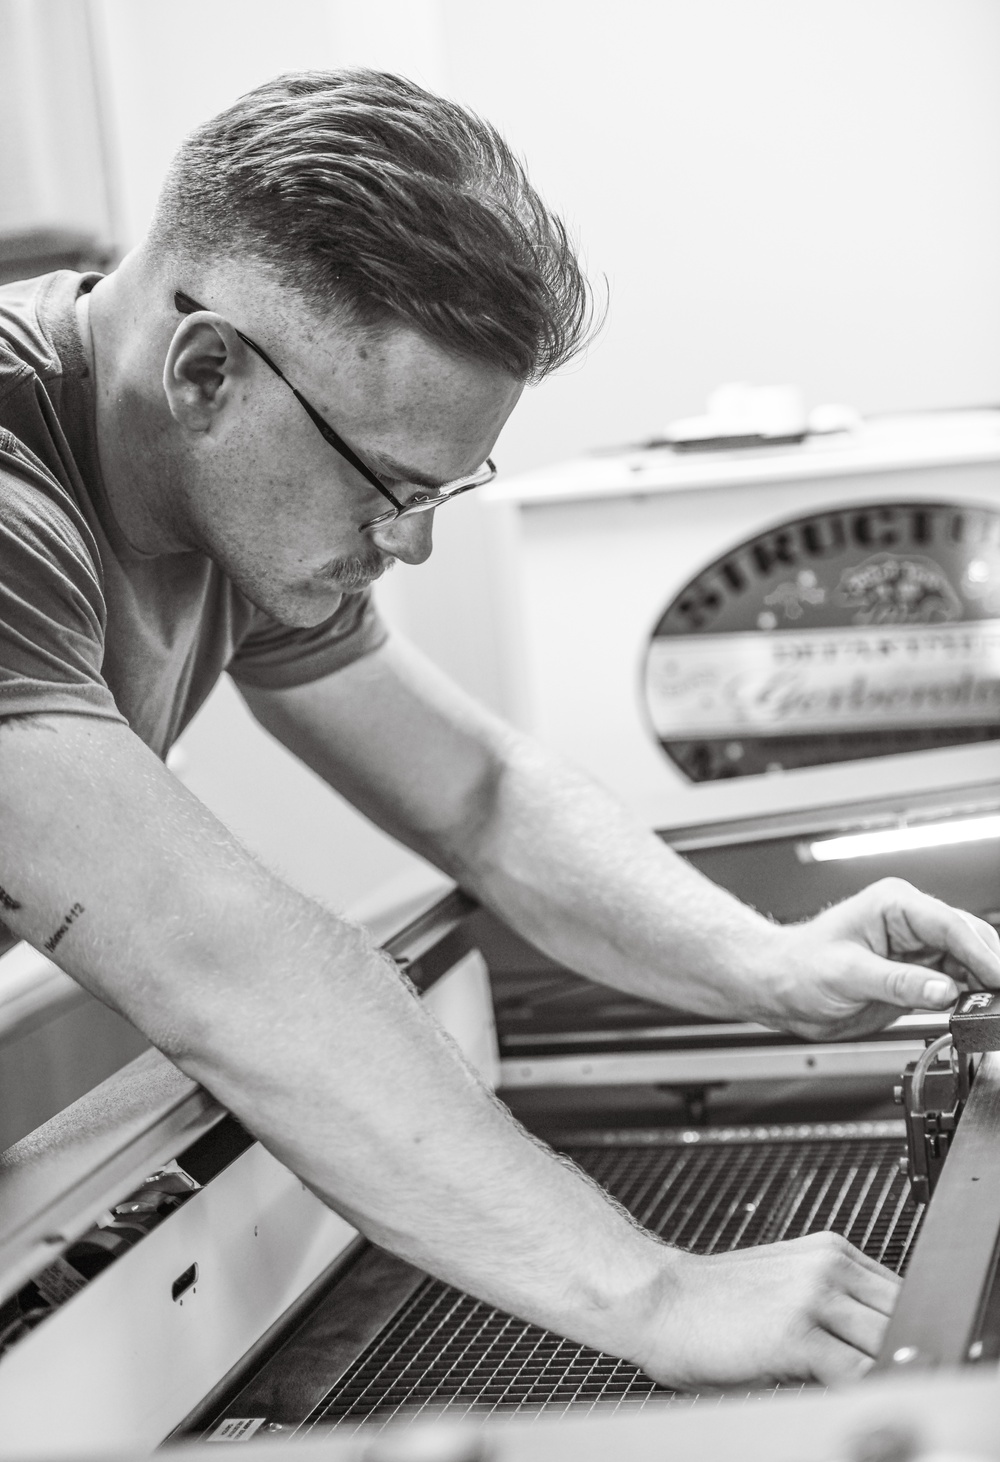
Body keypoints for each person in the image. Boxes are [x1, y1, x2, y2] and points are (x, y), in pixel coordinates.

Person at [0, 68, 997, 1392]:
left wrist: (759, 963)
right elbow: (210, 955)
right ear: (205, 373)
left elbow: (476, 794)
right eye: (392, 490)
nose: (408, 546)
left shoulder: (215, 487)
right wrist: (658, 1291)